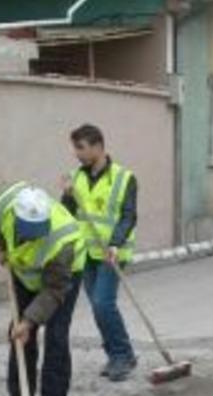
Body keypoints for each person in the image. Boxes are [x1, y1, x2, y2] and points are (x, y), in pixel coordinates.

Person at [0, 182, 85, 396]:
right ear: (17, 218)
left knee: (56, 336)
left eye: (39, 230)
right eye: (29, 231)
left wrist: (30, 321)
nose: (35, 236)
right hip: (25, 273)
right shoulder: (3, 202)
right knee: (18, 335)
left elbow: (53, 290)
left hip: (62, 279)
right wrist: (1, 243)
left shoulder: (62, 241)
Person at [61, 124, 139, 382]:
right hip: (86, 253)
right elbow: (66, 215)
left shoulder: (124, 177)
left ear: (98, 146)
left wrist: (115, 243)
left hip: (111, 253)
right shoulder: (76, 177)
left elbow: (128, 216)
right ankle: (117, 354)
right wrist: (67, 196)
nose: (76, 153)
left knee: (103, 304)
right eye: (75, 148)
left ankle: (122, 355)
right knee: (98, 307)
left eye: (80, 147)